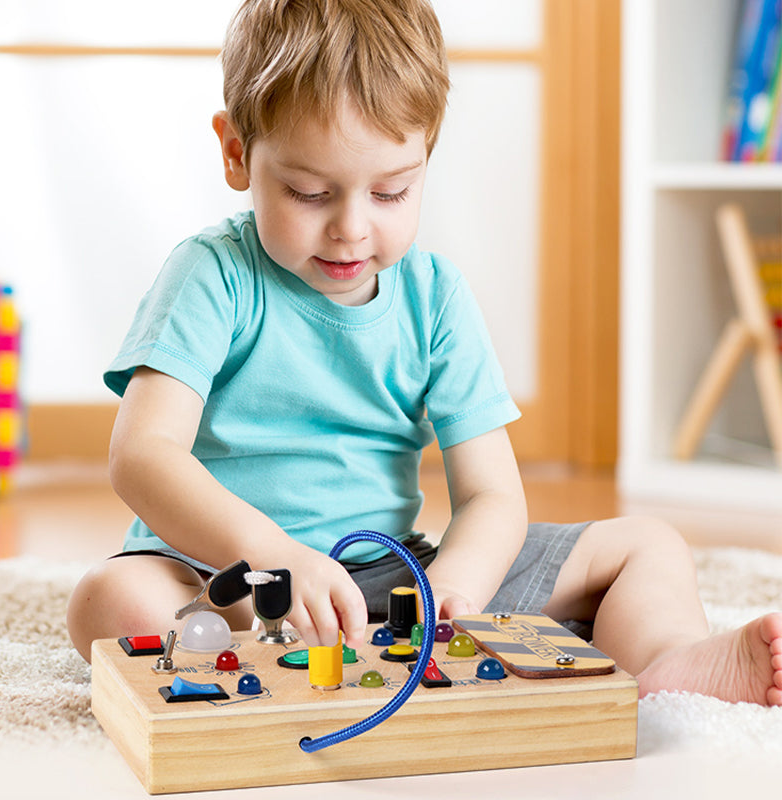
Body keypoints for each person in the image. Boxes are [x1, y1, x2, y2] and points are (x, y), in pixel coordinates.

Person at [67, 0, 782, 707]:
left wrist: (453, 590)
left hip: (396, 583)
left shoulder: (435, 297)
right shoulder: (212, 274)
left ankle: (664, 663)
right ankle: (267, 663)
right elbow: (143, 455)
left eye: (390, 191)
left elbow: (491, 494)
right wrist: (274, 556)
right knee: (111, 599)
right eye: (308, 192)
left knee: (648, 545)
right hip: (230, 583)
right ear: (235, 154)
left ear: (424, 163)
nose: (351, 227)